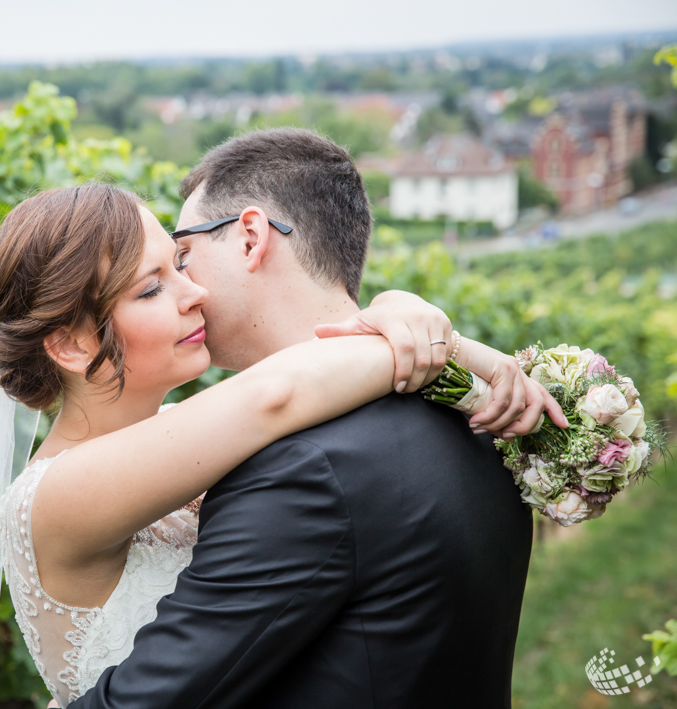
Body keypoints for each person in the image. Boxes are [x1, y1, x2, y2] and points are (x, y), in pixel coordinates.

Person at [0, 138, 559, 709]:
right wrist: (436, 342)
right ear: (74, 343)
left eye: (180, 264)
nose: (192, 294)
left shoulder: (193, 434)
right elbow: (276, 397)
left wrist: (411, 320)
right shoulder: (54, 493)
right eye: (154, 284)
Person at [64, 129, 553, 709]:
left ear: (250, 238)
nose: (186, 290)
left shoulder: (299, 471)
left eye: (185, 256)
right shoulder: (473, 419)